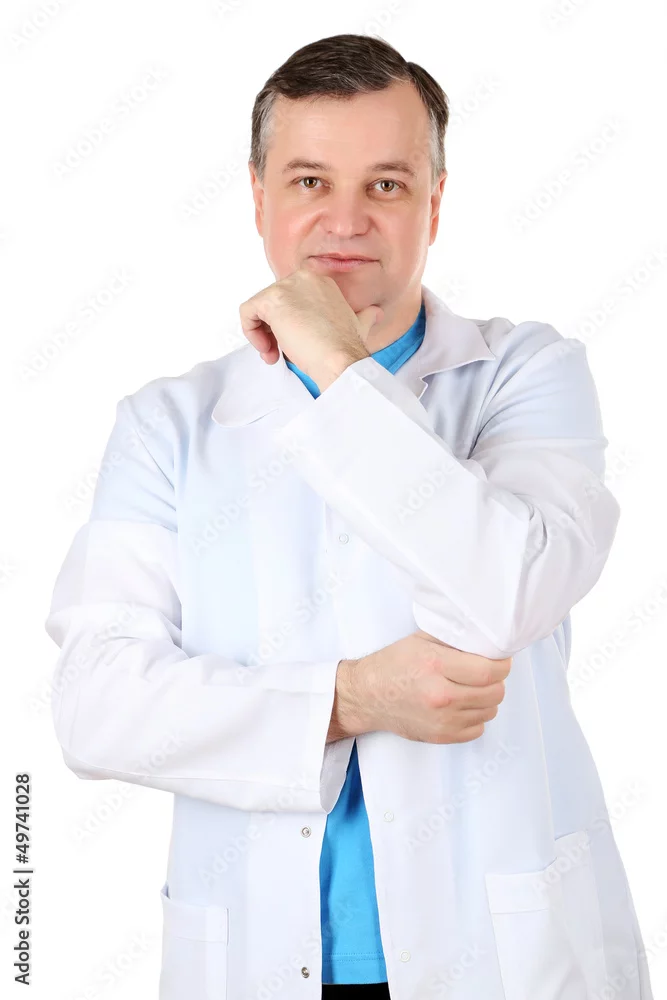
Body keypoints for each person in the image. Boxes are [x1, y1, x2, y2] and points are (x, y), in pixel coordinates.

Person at [45, 32, 653, 1000]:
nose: (344, 220)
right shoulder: (167, 425)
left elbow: (502, 595)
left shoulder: (527, 374)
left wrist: (335, 365)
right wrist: (351, 698)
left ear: (434, 203)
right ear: (257, 198)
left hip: (503, 954)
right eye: (308, 182)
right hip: (253, 953)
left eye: (385, 184)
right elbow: (98, 707)